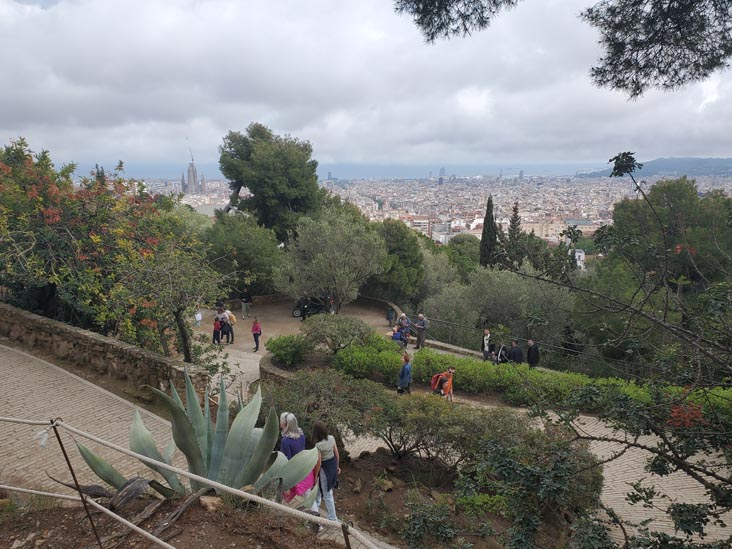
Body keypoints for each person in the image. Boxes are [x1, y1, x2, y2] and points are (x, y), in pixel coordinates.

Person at [279, 412, 315, 503]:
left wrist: (285, 482)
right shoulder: (301, 435)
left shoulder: (285, 441)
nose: (280, 423)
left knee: (283, 495)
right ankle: (315, 514)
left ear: (286, 424)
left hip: (294, 472)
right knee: (308, 493)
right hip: (305, 468)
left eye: (281, 421)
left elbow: (286, 461)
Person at [310, 421, 340, 526]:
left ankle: (333, 519)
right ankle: (315, 510)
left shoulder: (318, 445)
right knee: (320, 492)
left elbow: (319, 463)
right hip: (332, 466)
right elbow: (336, 453)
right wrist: (337, 466)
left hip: (325, 470)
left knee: (327, 495)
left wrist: (315, 476)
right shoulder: (331, 438)